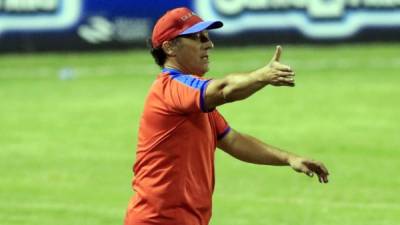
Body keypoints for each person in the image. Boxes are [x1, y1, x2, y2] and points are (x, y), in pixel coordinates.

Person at [124, 7, 329, 225]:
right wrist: (262, 75)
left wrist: (289, 159)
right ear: (169, 47)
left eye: (207, 36)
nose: (209, 44)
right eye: (197, 37)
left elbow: (232, 140)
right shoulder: (171, 87)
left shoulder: (195, 104)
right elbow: (223, 89)